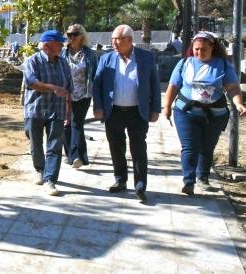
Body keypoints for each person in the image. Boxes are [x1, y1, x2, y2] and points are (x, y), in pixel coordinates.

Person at [162, 31, 246, 195]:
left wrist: (239, 104)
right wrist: (166, 107)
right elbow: (173, 86)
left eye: (203, 49)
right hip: (187, 112)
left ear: (212, 48)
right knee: (190, 147)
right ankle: (189, 181)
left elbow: (232, 87)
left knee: (207, 148)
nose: (199, 52)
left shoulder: (222, 65)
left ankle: (203, 177)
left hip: (214, 115)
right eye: (196, 49)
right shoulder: (185, 63)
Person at [93, 24, 160, 203]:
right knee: (116, 147)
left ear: (129, 40)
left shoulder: (146, 58)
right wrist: (98, 106)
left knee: (138, 149)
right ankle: (120, 180)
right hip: (113, 111)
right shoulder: (106, 59)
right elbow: (97, 84)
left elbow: (154, 83)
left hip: (137, 112)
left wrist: (155, 109)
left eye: (117, 39)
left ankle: (140, 185)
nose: (113, 42)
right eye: (112, 39)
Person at [22, 30, 72, 196]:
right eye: (60, 44)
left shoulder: (64, 63)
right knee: (35, 143)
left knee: (55, 146)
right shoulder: (32, 61)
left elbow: (68, 89)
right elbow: (31, 82)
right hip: (36, 109)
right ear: (47, 46)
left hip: (57, 110)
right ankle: (40, 169)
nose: (63, 46)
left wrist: (69, 110)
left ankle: (50, 180)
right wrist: (53, 88)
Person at [61, 24, 98, 169]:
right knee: (65, 125)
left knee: (76, 122)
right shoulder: (63, 53)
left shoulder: (89, 54)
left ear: (81, 36)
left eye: (74, 34)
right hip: (65, 94)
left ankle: (75, 156)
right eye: (69, 34)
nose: (71, 37)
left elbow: (95, 75)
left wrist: (98, 99)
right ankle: (75, 155)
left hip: (83, 94)